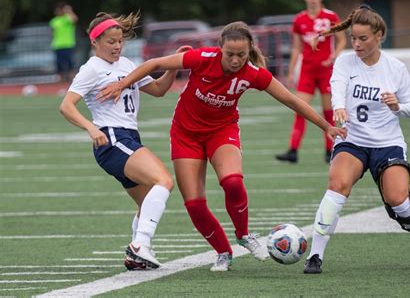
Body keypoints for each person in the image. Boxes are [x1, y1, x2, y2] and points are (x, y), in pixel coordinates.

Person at [97, 21, 347, 272]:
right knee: (194, 203)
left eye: (241, 54)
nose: (235, 60)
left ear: (249, 51)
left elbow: (291, 100)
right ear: (220, 49)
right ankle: (223, 253)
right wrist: (122, 83)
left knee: (232, 181)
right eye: (230, 54)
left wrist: (325, 126)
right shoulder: (203, 58)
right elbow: (154, 64)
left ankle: (243, 234)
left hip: (221, 131)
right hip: (186, 135)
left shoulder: (253, 73)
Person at [303, 5, 410, 274]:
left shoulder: (395, 67)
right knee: (337, 185)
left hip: (388, 144)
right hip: (353, 141)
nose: (357, 44)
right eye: (353, 38)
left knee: (399, 200)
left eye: (363, 38)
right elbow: (336, 87)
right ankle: (315, 256)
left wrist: (397, 106)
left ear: (379, 35)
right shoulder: (345, 61)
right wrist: (338, 107)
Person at [59, 11, 189, 271]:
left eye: (120, 41)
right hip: (112, 138)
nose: (117, 46)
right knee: (163, 181)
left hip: (128, 137)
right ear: (95, 42)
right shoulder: (92, 69)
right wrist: (90, 128)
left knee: (147, 202)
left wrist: (174, 65)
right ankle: (140, 246)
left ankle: (135, 254)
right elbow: (66, 106)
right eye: (111, 41)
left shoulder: (127, 65)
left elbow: (159, 90)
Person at [276, 0, 346, 164]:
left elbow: (341, 40)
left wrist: (334, 55)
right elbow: (297, 47)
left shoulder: (330, 16)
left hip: (326, 71)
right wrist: (291, 72)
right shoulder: (299, 19)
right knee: (300, 109)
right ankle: (293, 151)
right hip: (307, 71)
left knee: (328, 111)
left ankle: (330, 150)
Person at [50, 2, 78, 82]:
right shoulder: (54, 21)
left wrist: (69, 10)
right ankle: (60, 83)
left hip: (68, 45)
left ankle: (72, 82)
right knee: (59, 66)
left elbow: (75, 19)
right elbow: (53, 33)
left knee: (70, 65)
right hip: (58, 45)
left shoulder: (67, 18)